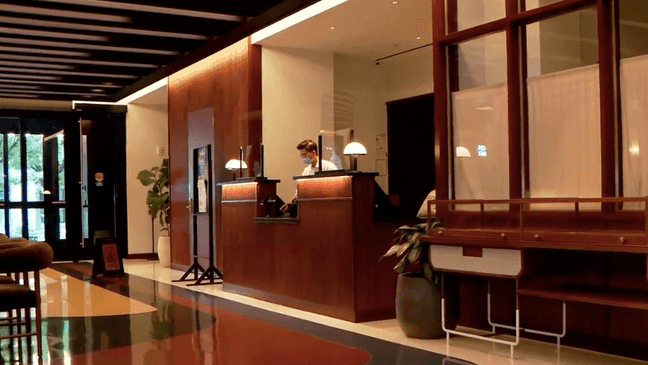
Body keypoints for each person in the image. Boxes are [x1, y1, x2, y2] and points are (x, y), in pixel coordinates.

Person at [280, 139, 337, 214]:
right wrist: (292, 203)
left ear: (313, 153)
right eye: (302, 156)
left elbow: (334, 190)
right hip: (309, 209)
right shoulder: (306, 171)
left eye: (305, 155)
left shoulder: (329, 167)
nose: (303, 158)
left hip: (327, 208)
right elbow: (300, 191)